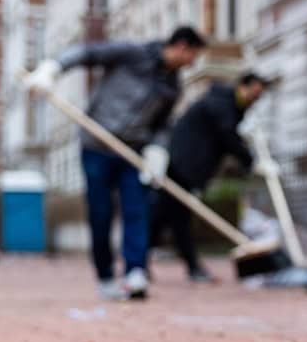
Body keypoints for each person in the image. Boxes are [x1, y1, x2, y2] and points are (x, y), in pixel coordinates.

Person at [25, 26, 207, 300]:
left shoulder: (172, 87)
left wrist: (158, 151)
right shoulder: (133, 54)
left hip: (132, 153)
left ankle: (135, 271)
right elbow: (86, 52)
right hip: (96, 146)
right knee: (100, 213)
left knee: (137, 211)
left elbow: (162, 126)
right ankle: (106, 275)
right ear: (181, 46)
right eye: (193, 55)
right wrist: (53, 69)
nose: (193, 63)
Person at [149, 72, 271, 282]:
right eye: (254, 93)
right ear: (243, 86)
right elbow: (227, 136)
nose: (255, 99)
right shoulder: (223, 104)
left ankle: (144, 263)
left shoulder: (228, 105)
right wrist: (250, 160)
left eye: (259, 96)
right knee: (174, 217)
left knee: (168, 216)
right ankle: (186, 267)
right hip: (183, 164)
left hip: (185, 165)